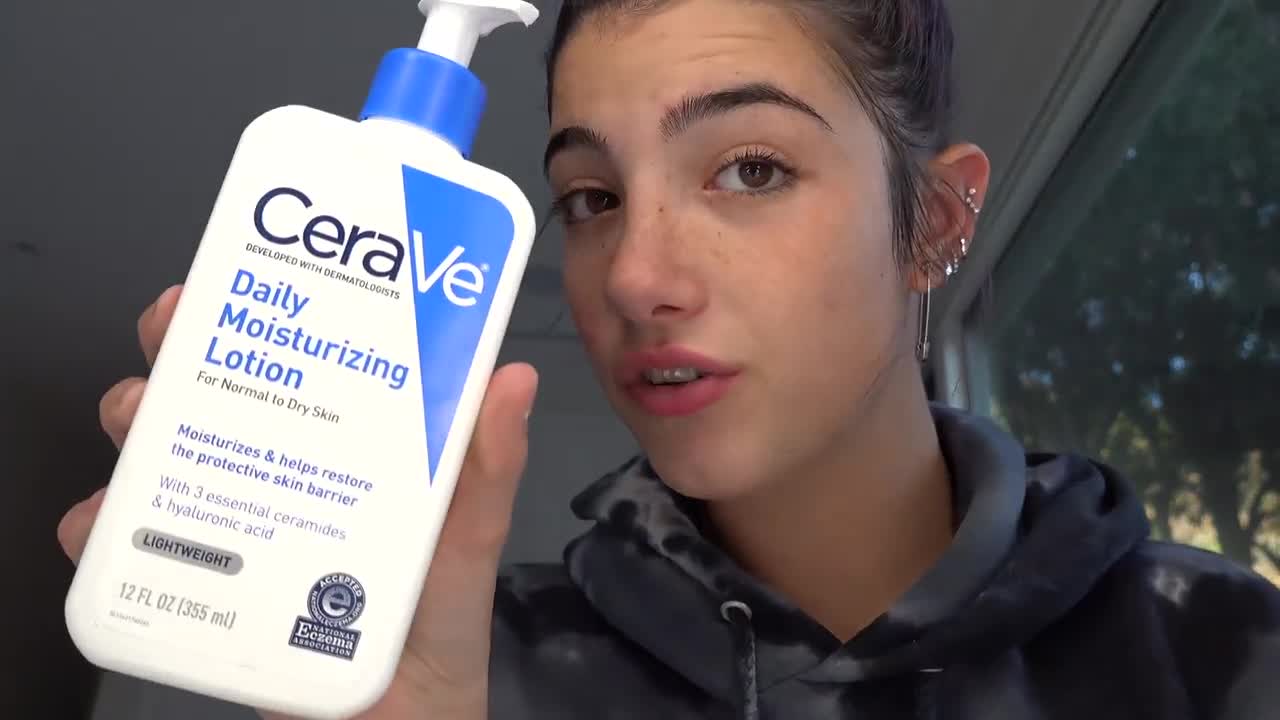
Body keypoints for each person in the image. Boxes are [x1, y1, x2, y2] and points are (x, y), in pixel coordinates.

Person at [59, 0, 1280, 717]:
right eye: (590, 197)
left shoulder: (1214, 653)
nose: (634, 275)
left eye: (749, 168)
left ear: (933, 222)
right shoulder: (470, 665)